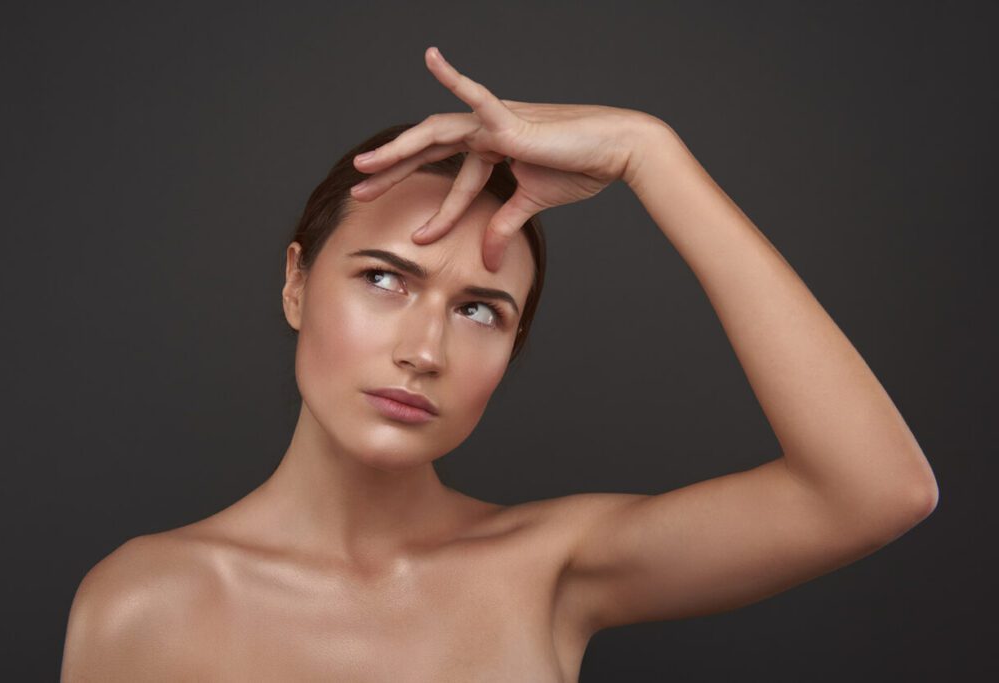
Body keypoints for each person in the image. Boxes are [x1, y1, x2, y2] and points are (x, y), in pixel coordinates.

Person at [60, 46, 939, 682]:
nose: (425, 349)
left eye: (479, 309)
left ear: (511, 349)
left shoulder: (553, 568)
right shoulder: (149, 600)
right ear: (296, 284)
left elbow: (878, 489)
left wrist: (649, 152)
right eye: (383, 279)